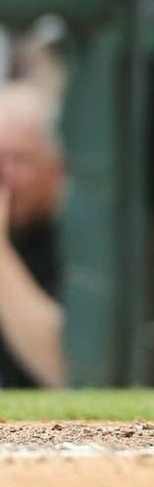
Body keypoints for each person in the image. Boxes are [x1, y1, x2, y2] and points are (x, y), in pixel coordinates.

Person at [0, 85, 66, 388]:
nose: (5, 177)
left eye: (18, 159)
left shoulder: (75, 236)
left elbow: (63, 370)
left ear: (55, 170)